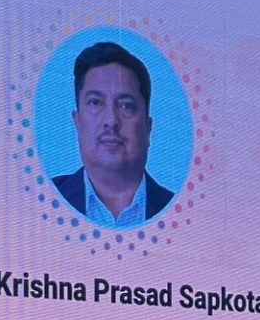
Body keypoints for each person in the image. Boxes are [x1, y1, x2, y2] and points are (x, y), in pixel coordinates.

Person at [51, 42, 175, 227]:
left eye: (126, 105)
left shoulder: (180, 210)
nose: (111, 120)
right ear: (77, 122)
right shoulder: (40, 199)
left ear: (147, 127)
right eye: (95, 103)